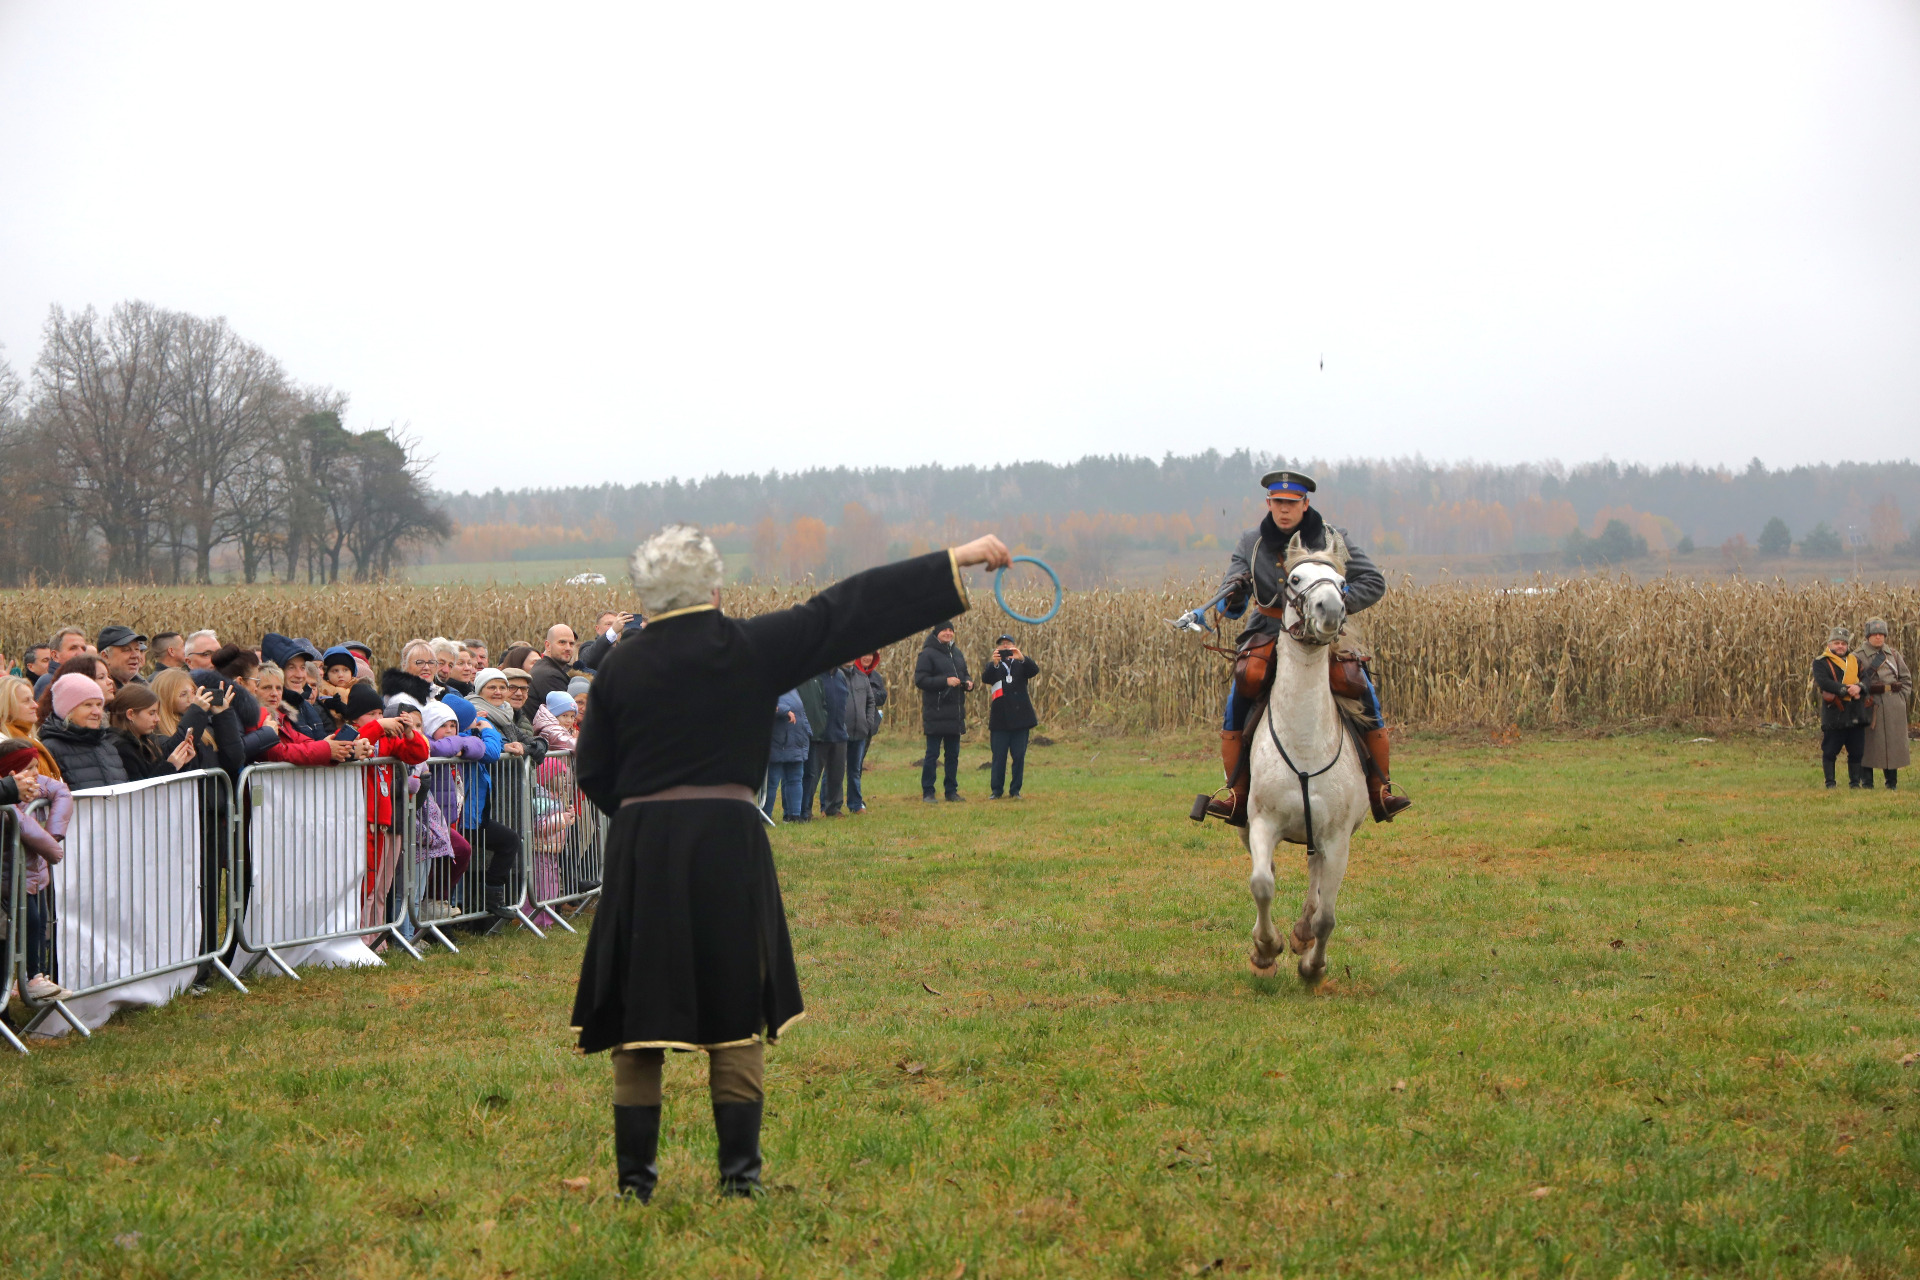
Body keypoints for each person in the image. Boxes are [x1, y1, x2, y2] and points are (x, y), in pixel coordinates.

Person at [570, 522, 1005, 1202]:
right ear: (715, 588)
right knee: (735, 1002)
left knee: (637, 1011)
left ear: (646, 595)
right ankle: (740, 1181)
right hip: (727, 839)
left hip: (643, 843)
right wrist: (957, 559)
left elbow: (593, 769)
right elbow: (851, 607)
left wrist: (644, 818)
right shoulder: (749, 646)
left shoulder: (619, 666)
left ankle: (635, 1185)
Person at [1204, 468, 1402, 826]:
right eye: (1278, 502)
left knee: (1359, 686)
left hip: (1324, 635)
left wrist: (1332, 605)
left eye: (1292, 503)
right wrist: (1234, 595)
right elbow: (1231, 605)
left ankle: (1380, 790)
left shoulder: (1333, 538)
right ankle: (1236, 794)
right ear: (1268, 503)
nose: (1284, 509)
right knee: (1244, 685)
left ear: (1305, 504)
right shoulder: (1251, 543)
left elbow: (1373, 581)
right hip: (1266, 632)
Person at [2, 737, 70, 1003]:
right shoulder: (8, 803)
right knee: (26, 924)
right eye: (29, 768)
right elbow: (25, 826)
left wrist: (55, 832)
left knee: (40, 921)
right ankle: (28, 978)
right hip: (12, 876)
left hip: (34, 874)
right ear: (11, 773)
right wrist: (53, 849)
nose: (36, 773)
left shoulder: (34, 784)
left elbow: (61, 790)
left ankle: (35, 977)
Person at [40, 673, 131, 788]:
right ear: (68, 711)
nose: (97, 712)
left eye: (99, 705)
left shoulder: (108, 746)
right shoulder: (50, 749)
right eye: (88, 705)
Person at [914, 621, 972, 802]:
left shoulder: (956, 652)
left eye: (950, 630)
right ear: (936, 633)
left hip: (955, 713)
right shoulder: (927, 654)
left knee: (953, 755)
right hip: (936, 712)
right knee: (932, 755)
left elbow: (964, 672)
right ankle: (928, 792)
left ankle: (951, 791)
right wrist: (945, 681)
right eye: (944, 630)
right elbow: (920, 680)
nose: (948, 633)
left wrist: (968, 682)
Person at [981, 635, 1040, 800]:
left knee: (1019, 756)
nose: (1005, 647)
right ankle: (996, 790)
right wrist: (995, 664)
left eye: (1008, 644)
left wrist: (1022, 658)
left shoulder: (1021, 664)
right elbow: (986, 678)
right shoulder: (993, 665)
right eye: (1002, 645)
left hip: (1021, 718)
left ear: (1014, 646)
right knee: (999, 757)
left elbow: (1034, 671)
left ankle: (1015, 790)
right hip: (1000, 720)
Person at [1813, 627, 1873, 788]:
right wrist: (1845, 690)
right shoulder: (1821, 662)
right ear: (1830, 644)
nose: (1840, 646)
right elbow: (1824, 682)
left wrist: (1859, 687)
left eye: (1843, 644)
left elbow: (1866, 679)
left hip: (1856, 710)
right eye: (1837, 643)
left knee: (1856, 750)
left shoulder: (1855, 661)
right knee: (1830, 750)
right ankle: (1830, 783)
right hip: (1835, 711)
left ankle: (1855, 783)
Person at [1857, 619, 1911, 789]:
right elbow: (1854, 681)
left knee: (1892, 745)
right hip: (1871, 703)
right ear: (1868, 636)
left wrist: (1901, 698)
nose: (1878, 637)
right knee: (1869, 745)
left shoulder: (1893, 654)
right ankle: (1867, 783)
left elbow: (1905, 678)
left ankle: (1891, 783)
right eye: (1875, 634)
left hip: (1894, 704)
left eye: (1881, 634)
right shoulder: (1858, 656)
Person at [106, 685, 200, 779]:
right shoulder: (121, 748)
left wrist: (182, 764)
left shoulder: (147, 742)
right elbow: (141, 786)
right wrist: (171, 766)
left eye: (157, 713)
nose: (157, 719)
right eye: (151, 713)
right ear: (131, 714)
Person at [843, 653, 887, 814]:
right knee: (835, 769)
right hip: (842, 731)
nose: (867, 658)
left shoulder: (871, 677)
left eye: (870, 655)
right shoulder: (839, 676)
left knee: (855, 769)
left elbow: (875, 700)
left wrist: (868, 723)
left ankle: (855, 803)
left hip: (861, 730)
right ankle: (830, 806)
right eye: (864, 654)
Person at [764, 689, 811, 822]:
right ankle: (765, 816)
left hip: (796, 742)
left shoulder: (794, 689)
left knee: (795, 779)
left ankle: (794, 815)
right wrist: (785, 710)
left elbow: (801, 712)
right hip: (777, 743)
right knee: (772, 782)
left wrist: (807, 731)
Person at [812, 664, 851, 816]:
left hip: (839, 733)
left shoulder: (841, 676)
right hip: (820, 735)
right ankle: (805, 809)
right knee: (813, 775)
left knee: (837, 775)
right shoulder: (815, 677)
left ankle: (833, 808)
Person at [795, 673, 828, 818]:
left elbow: (823, 705)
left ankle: (806, 810)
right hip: (799, 735)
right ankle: (793, 811)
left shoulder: (817, 679)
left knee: (810, 773)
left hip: (815, 735)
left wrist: (822, 723)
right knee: (795, 774)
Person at [528, 625, 579, 705]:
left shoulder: (545, 667)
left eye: (571, 644)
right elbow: (565, 709)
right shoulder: (549, 675)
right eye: (562, 642)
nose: (568, 648)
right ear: (548, 645)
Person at [97, 626, 148, 691]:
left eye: (137, 649)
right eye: (126, 650)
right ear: (105, 657)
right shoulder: (101, 693)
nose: (135, 655)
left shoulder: (146, 688)